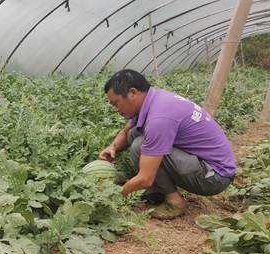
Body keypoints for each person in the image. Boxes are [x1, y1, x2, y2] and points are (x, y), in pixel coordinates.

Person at [99, 69, 236, 219]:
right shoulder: (154, 98)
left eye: (116, 103)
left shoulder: (160, 118)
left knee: (140, 146)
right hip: (202, 163)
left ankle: (175, 202)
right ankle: (157, 192)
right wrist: (113, 147)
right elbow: (126, 133)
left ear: (133, 93)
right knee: (134, 133)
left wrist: (111, 197)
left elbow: (145, 177)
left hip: (214, 176)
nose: (115, 109)